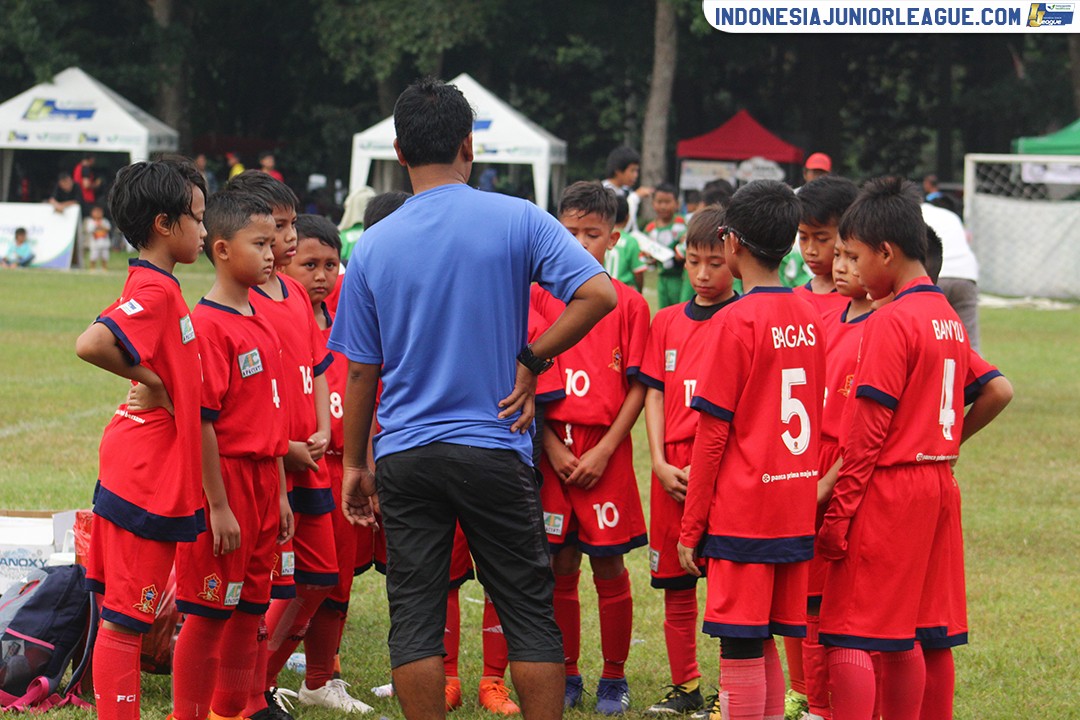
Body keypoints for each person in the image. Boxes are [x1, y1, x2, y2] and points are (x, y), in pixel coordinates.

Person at [327, 77, 616, 720]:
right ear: (469, 145)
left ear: (399, 152)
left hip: (405, 453)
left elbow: (360, 374)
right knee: (527, 610)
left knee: (417, 616)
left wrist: (353, 465)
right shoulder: (517, 217)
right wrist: (532, 360)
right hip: (494, 447)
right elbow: (600, 294)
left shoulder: (373, 244)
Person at [816, 178, 1011, 719]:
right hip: (937, 486)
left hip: (889, 490)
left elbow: (866, 435)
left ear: (886, 252)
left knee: (851, 629)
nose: (849, 267)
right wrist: (948, 444)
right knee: (919, 631)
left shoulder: (891, 321)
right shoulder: (948, 319)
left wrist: (838, 515)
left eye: (854, 255)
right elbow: (999, 388)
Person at [678, 180, 825, 720]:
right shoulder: (811, 314)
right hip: (791, 510)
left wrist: (690, 527)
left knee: (740, 643)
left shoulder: (734, 321)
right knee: (763, 638)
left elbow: (711, 437)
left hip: (744, 514)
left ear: (731, 241)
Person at [73, 156, 208, 720]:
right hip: (143, 474)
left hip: (148, 468)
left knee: (127, 614)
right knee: (128, 620)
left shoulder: (161, 287)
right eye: (197, 218)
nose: (205, 230)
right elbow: (91, 343)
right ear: (164, 224)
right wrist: (155, 382)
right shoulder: (154, 291)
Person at [164, 188, 293, 720]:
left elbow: (272, 414)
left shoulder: (260, 317)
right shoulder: (209, 325)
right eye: (259, 243)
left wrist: (281, 494)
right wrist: (216, 505)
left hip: (265, 482)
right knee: (209, 612)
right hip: (228, 483)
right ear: (220, 249)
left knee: (250, 611)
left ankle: (232, 710)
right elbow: (201, 421)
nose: (271, 253)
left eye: (273, 242)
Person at [532, 181, 649, 715]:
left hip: (606, 454)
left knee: (608, 567)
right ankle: (570, 671)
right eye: (569, 231)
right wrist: (551, 446)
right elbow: (523, 380)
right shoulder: (536, 297)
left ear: (614, 239)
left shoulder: (627, 303)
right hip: (552, 453)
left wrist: (604, 451)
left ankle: (614, 677)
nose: (579, 243)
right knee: (559, 563)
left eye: (592, 234)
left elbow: (638, 385)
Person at [227, 171, 336, 720]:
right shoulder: (244, 303)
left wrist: (323, 427)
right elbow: (254, 395)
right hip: (274, 464)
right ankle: (245, 696)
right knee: (269, 588)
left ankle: (259, 683)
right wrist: (282, 447)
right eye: (279, 228)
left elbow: (317, 366)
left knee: (318, 580)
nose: (291, 239)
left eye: (292, 225)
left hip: (309, 461)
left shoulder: (293, 291)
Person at [637, 205, 738, 716]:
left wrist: (712, 469)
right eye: (694, 261)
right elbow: (654, 393)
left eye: (715, 263)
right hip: (671, 471)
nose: (702, 274)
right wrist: (656, 459)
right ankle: (686, 686)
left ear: (735, 260)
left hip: (722, 473)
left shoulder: (744, 320)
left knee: (724, 588)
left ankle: (728, 692)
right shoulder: (668, 321)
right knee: (676, 586)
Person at [281, 213, 375, 713]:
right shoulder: (279, 323)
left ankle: (320, 679)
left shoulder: (342, 324)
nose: (321, 275)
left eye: (331, 265)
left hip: (342, 470)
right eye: (309, 263)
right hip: (292, 471)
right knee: (293, 583)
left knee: (335, 581)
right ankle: (256, 677)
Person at [793, 176, 858, 318]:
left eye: (822, 239)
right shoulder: (792, 300)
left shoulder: (864, 301)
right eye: (803, 237)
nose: (810, 250)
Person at [922, 199, 981, 352]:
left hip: (936, 274)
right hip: (966, 274)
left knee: (927, 337)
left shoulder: (913, 215)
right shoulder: (950, 215)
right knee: (969, 343)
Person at [644, 183, 691, 308]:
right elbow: (645, 256)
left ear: (677, 203)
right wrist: (649, 258)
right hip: (662, 277)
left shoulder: (683, 223)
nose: (663, 206)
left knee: (680, 308)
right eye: (659, 202)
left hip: (680, 276)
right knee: (663, 311)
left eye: (667, 202)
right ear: (653, 203)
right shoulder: (650, 229)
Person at [602, 146, 653, 232]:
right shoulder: (603, 192)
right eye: (632, 171)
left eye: (637, 171)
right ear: (618, 171)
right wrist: (635, 197)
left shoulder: (627, 191)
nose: (636, 175)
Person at [604, 195, 646, 292]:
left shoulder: (601, 238)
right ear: (627, 218)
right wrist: (639, 291)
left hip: (603, 290)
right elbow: (638, 271)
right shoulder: (631, 241)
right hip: (624, 291)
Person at [85, 205, 113, 271]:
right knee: (93, 256)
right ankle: (92, 269)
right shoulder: (91, 221)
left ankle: (104, 268)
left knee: (104, 257)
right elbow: (89, 230)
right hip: (95, 243)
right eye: (96, 212)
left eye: (99, 212)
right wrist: (96, 225)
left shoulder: (105, 221)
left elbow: (108, 228)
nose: (97, 214)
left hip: (104, 242)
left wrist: (101, 225)